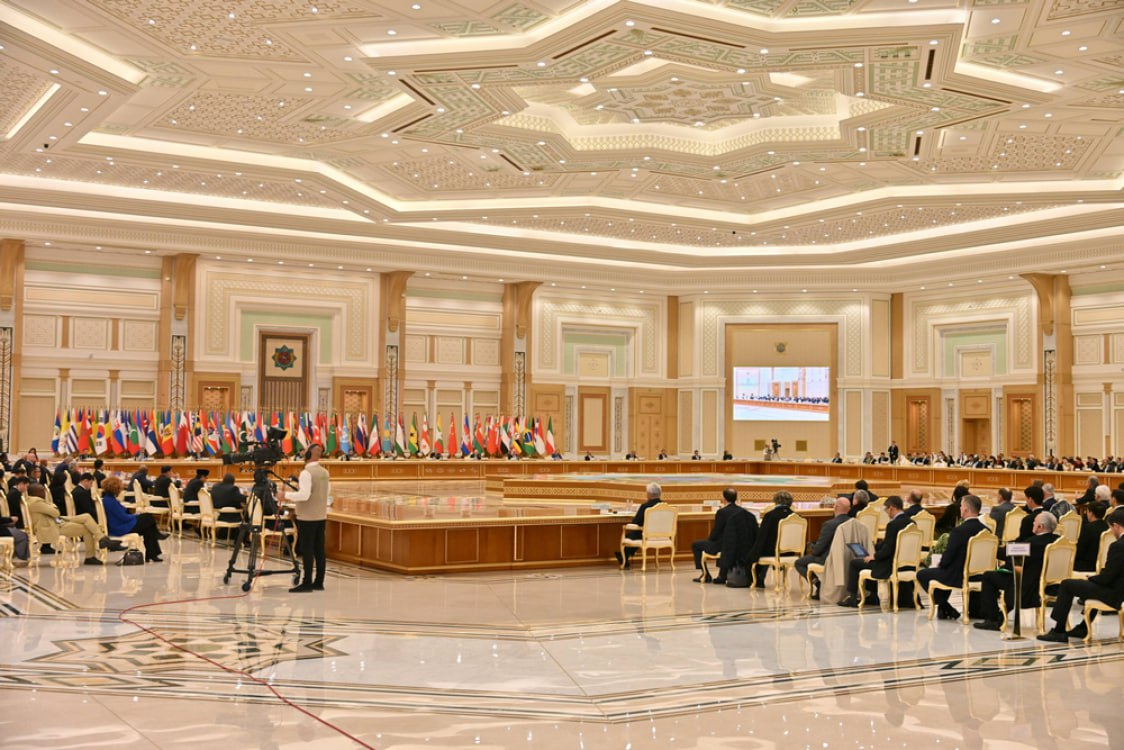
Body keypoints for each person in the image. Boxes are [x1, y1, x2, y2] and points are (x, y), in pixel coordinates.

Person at [1038, 507, 1124, 642]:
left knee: (1067, 584)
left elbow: (1107, 577)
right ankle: (1083, 628)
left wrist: (1092, 578)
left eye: (1111, 528)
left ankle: (1059, 630)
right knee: (1090, 586)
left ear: (1116, 526)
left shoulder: (1118, 546)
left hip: (1116, 593)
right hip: (1117, 588)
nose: (1112, 532)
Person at [974, 512, 1060, 631]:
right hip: (1050, 584)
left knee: (989, 576)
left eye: (1035, 522)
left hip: (1028, 585)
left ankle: (992, 619)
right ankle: (1000, 616)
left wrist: (991, 546)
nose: (1033, 524)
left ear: (1040, 527)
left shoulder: (1032, 543)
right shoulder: (1058, 541)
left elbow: (1006, 553)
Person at [918, 494, 987, 620]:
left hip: (959, 575)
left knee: (922, 574)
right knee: (941, 572)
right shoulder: (987, 531)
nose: (960, 508)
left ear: (965, 510)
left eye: (961, 506)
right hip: (980, 575)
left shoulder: (959, 531)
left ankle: (945, 606)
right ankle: (945, 609)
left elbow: (948, 557)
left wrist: (940, 564)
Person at [840, 496, 913, 607]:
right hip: (905, 565)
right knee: (870, 561)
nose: (887, 513)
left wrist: (874, 556)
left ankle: (853, 598)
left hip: (889, 565)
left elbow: (887, 550)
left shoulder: (893, 525)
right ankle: (873, 595)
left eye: (886, 510)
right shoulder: (911, 523)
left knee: (855, 563)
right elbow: (889, 543)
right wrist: (873, 547)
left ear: (891, 508)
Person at [26, 485, 121, 565]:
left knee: (86, 516)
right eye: (42, 491)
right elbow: (55, 512)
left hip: (55, 521)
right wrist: (52, 506)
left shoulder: (33, 501)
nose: (44, 493)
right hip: (52, 526)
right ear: (36, 493)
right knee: (87, 529)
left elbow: (53, 511)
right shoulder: (36, 502)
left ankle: (102, 539)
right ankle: (91, 555)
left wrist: (51, 506)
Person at [283, 444, 330, 592]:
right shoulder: (325, 472)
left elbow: (304, 495)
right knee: (319, 550)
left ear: (308, 455)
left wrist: (285, 495)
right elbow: (326, 492)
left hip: (307, 517)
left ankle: (307, 582)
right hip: (320, 516)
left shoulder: (306, 473)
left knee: (307, 550)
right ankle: (319, 582)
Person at [691, 488, 756, 583]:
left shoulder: (722, 512)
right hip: (739, 544)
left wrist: (710, 539)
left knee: (696, 544)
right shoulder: (742, 511)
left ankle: (705, 574)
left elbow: (716, 533)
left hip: (722, 545)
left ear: (724, 499)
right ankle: (722, 574)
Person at [99, 476, 167, 562]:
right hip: (121, 528)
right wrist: (135, 515)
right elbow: (124, 518)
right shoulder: (112, 502)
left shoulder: (107, 500)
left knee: (148, 527)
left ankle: (152, 554)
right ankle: (154, 547)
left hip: (116, 526)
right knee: (148, 517)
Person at [795, 497, 851, 599]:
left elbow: (817, 550)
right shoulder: (853, 522)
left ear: (836, 507)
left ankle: (819, 585)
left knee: (799, 563)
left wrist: (811, 546)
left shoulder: (829, 524)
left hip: (829, 558)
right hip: (849, 556)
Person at [747, 491, 795, 588]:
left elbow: (762, 536)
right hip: (789, 552)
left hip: (773, 552)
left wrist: (754, 552)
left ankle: (757, 579)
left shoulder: (770, 515)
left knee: (754, 555)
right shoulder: (796, 517)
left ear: (776, 501)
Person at [615, 482, 664, 570]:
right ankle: (625, 555)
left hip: (647, 536)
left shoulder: (645, 506)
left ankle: (624, 557)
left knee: (633, 534)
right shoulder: (666, 506)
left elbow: (635, 522)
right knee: (636, 534)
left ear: (649, 494)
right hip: (662, 536)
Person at [0, 476, 31, 561]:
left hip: (6, 522)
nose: (26, 489)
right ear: (21, 484)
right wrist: (10, 519)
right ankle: (21, 556)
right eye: (26, 486)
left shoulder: (14, 492)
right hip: (7, 525)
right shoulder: (15, 494)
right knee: (23, 536)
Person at [1075, 501, 1109, 572]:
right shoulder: (1108, 527)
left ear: (1091, 513)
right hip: (1105, 565)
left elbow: (1080, 551)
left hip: (1088, 565)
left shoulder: (1087, 528)